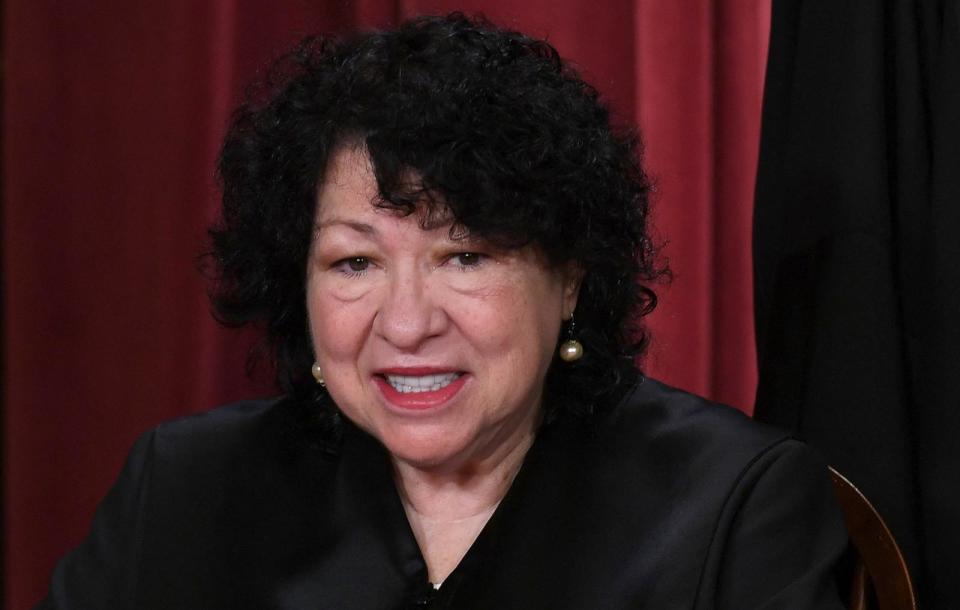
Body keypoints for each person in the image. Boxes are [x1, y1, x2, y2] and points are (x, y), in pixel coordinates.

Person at [39, 13, 847, 609]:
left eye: (465, 256)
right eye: (354, 263)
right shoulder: (183, 489)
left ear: (569, 277)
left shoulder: (735, 507)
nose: (406, 323)